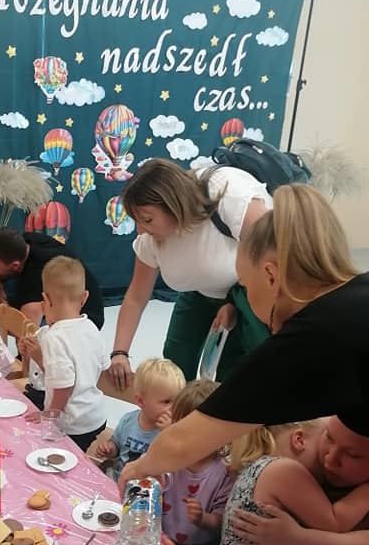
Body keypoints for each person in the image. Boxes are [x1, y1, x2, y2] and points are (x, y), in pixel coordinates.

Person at [121, 185, 369, 495]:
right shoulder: (356, 295)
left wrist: (138, 468)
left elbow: (186, 439)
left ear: (271, 277)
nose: (247, 298)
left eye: (246, 286)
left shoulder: (311, 336)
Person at [108, 159, 271, 389]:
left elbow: (272, 261)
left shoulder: (230, 195)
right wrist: (119, 353)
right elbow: (136, 296)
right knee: (176, 362)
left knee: (238, 368)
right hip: (198, 292)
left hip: (253, 288)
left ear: (173, 205)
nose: (141, 230)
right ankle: (180, 408)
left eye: (147, 219)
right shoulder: (150, 240)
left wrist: (234, 303)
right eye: (136, 221)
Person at [206, 418, 369, 545]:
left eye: (352, 454)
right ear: (298, 440)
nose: (328, 460)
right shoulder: (284, 469)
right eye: (328, 437)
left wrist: (298, 538)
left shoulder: (265, 468)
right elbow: (334, 522)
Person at [18, 256, 110, 452]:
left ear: (46, 300)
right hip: (95, 415)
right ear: (85, 297)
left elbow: (64, 384)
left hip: (72, 422)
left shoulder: (54, 337)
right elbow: (101, 367)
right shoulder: (91, 326)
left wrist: (49, 415)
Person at [160, 379, 233, 545]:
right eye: (181, 427)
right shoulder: (168, 457)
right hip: (162, 538)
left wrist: (202, 518)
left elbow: (221, 522)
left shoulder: (225, 473)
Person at [0, 227, 105, 331]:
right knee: (5, 279)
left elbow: (26, 332)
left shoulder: (35, 275)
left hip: (87, 318)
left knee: (28, 324)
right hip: (70, 296)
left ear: (15, 265)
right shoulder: (26, 241)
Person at [95, 357, 185, 480]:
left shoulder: (174, 429)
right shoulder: (128, 421)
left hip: (150, 488)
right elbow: (117, 446)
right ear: (141, 401)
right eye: (166, 402)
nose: (173, 408)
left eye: (177, 401)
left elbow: (175, 462)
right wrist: (110, 449)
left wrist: (168, 433)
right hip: (119, 479)